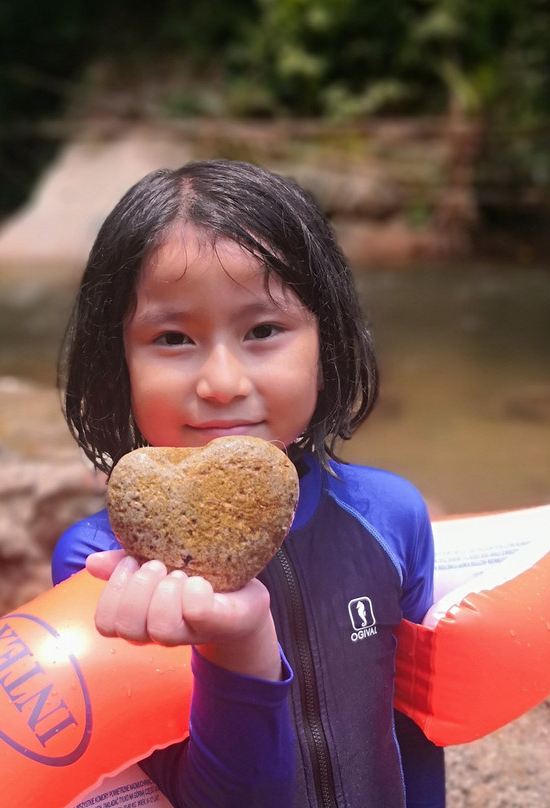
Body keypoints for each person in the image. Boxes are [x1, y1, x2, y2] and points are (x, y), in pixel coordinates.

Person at [52, 159, 445, 808]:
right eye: (173, 337)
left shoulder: (390, 516)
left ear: (327, 340)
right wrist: (237, 645)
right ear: (116, 363)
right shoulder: (106, 570)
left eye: (263, 330)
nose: (224, 382)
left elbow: (419, 733)